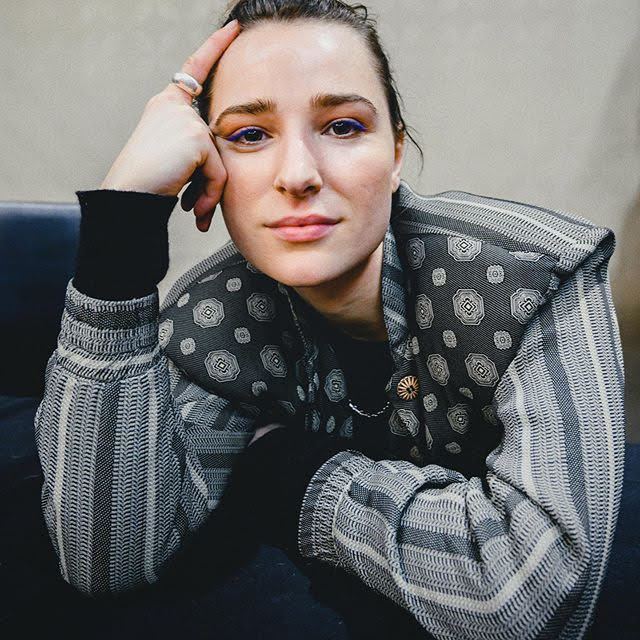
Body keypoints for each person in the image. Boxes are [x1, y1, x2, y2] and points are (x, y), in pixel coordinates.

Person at [34, 1, 626, 638]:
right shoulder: (216, 314)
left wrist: (299, 472)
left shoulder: (531, 276)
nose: (298, 175)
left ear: (396, 152)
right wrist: (118, 241)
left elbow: (532, 598)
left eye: (342, 126)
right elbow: (107, 559)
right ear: (208, 169)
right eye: (249, 135)